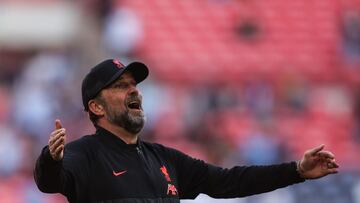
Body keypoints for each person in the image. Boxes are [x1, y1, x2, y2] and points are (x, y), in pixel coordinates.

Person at [34, 59, 339, 203]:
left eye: (134, 85)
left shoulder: (164, 159)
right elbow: (50, 181)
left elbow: (229, 182)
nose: (134, 92)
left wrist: (296, 171)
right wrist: (51, 157)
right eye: (121, 86)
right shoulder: (84, 154)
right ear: (97, 107)